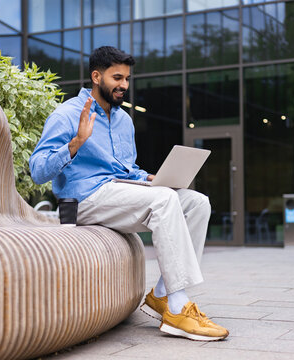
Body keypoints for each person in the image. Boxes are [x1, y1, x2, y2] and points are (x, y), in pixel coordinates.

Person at [29, 46, 229, 341]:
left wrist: (147, 177)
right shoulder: (68, 114)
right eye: (117, 77)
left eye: (127, 78)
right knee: (164, 200)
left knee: (197, 203)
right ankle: (177, 308)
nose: (124, 85)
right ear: (96, 77)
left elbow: (125, 168)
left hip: (118, 193)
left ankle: (162, 293)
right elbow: (37, 170)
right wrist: (75, 144)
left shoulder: (124, 120)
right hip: (83, 200)